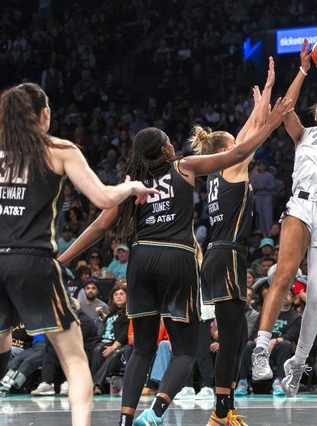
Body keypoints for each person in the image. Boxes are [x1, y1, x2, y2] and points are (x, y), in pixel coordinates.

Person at [0, 28, 155, 426]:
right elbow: (104, 199)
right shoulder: (59, 150)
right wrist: (130, 184)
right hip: (33, 263)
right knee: (75, 358)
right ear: (44, 114)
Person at [58, 93, 291, 424]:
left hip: (140, 259)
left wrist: (63, 259)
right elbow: (238, 152)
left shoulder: (132, 185)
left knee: (141, 348)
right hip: (176, 257)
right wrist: (270, 122)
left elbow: (97, 228)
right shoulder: (184, 167)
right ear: (166, 149)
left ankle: (125, 420)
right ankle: (154, 413)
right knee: (184, 350)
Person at [251, 38, 317, 399]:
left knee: (316, 298)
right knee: (282, 275)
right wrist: (303, 70)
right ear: (315, 114)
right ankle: (261, 348)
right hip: (301, 204)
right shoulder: (303, 134)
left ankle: (297, 362)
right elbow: (285, 107)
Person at [191, 59, 275, 425]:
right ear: (227, 148)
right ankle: (220, 412)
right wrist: (268, 95)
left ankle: (225, 408)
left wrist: (261, 101)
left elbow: (245, 132)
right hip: (226, 256)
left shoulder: (220, 168)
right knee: (229, 337)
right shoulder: (231, 165)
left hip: (224, 255)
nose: (238, 139)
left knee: (237, 336)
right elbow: (252, 134)